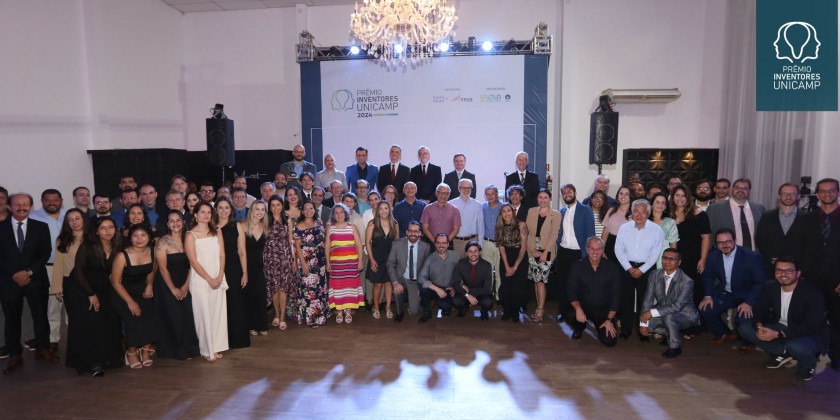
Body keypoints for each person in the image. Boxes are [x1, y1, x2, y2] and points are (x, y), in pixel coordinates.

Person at [738, 256, 828, 381]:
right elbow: (760, 310)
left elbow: (810, 326)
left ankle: (808, 364)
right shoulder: (770, 287)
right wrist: (759, 326)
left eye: (789, 271)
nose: (783, 274)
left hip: (809, 332)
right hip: (781, 326)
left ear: (798, 273)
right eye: (779, 270)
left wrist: (778, 334)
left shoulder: (812, 294)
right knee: (745, 328)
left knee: (794, 346)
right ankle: (782, 352)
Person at [0, 193, 58, 374]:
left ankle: (43, 349)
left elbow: (45, 252)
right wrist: (14, 274)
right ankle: (14, 355)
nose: (21, 207)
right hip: (9, 281)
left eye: (25, 204)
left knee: (40, 315)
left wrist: (29, 272)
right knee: (12, 319)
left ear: (31, 206)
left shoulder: (41, 227)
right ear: (10, 206)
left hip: (35, 279)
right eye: (17, 204)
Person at [64, 217, 123, 376]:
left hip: (106, 289)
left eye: (111, 227)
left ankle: (109, 359)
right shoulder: (87, 247)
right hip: (82, 289)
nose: (107, 231)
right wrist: (91, 294)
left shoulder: (118, 246)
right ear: (96, 231)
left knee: (109, 322)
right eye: (103, 228)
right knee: (91, 324)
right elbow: (79, 272)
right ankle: (93, 363)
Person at [699, 228, 767, 344]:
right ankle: (724, 334)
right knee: (706, 309)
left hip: (747, 295)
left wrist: (749, 302)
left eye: (728, 242)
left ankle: (747, 342)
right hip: (726, 293)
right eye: (720, 243)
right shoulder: (713, 256)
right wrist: (707, 295)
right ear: (716, 244)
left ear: (735, 241)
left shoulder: (751, 257)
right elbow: (708, 276)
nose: (724, 245)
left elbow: (761, 282)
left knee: (741, 319)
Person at [800, 178, 840, 370]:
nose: (827, 194)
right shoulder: (807, 219)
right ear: (817, 194)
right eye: (823, 191)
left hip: (837, 279)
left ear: (838, 193)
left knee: (837, 319)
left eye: (831, 191)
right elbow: (800, 248)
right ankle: (812, 353)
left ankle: (837, 355)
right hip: (811, 278)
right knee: (812, 318)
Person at [614, 199, 664, 340]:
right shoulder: (624, 228)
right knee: (626, 300)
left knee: (645, 301)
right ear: (632, 212)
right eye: (636, 211)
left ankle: (643, 331)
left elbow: (656, 253)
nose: (639, 215)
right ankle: (625, 330)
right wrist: (629, 268)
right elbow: (618, 249)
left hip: (647, 268)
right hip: (626, 267)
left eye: (643, 212)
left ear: (648, 213)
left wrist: (642, 269)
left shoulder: (656, 230)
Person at [185, 201, 229, 361]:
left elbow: (222, 255)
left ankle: (216, 347)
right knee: (203, 315)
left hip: (218, 277)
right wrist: (209, 279)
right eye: (202, 212)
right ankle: (206, 350)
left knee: (217, 315)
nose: (206, 215)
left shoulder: (217, 231)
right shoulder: (190, 235)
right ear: (195, 215)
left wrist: (219, 275)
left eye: (208, 212)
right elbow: (193, 261)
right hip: (200, 280)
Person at [153, 211, 200, 360]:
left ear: (183, 222)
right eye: (171, 221)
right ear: (167, 224)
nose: (175, 223)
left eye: (178, 220)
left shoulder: (189, 239)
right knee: (175, 316)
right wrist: (173, 289)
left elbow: (191, 264)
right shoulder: (162, 242)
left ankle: (192, 348)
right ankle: (177, 350)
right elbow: (162, 268)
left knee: (188, 315)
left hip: (186, 280)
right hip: (167, 283)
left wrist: (186, 285)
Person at [111, 224, 158, 368]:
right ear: (130, 238)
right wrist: (130, 302)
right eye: (135, 236)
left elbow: (151, 271)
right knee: (134, 320)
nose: (139, 239)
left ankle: (145, 351)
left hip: (143, 291)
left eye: (143, 235)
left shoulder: (152, 251)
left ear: (149, 238)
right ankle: (131, 353)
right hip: (123, 293)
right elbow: (115, 282)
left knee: (151, 316)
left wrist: (150, 285)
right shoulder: (122, 256)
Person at [639, 248, 700, 358]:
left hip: (686, 315)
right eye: (665, 258)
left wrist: (650, 313)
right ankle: (670, 335)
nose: (667, 261)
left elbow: (677, 307)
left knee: (667, 315)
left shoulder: (687, 281)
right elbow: (648, 299)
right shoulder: (654, 275)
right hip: (666, 312)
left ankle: (675, 347)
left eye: (672, 259)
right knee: (648, 320)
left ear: (679, 262)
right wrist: (643, 323)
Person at [30, 188, 67, 352]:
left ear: (61, 200)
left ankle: (77, 339)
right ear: (42, 201)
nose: (52, 203)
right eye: (47, 200)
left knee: (74, 304)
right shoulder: (33, 217)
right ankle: (52, 339)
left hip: (71, 267)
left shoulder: (70, 215)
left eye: (55, 199)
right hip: (48, 267)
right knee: (53, 306)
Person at [566, 237, 621, 347]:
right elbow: (571, 291)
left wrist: (609, 319)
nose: (595, 252)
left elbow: (616, 295)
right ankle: (579, 327)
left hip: (603, 312)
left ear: (602, 250)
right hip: (584, 308)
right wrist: (578, 309)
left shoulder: (612, 268)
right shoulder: (577, 266)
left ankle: (604, 324)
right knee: (568, 313)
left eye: (598, 249)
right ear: (587, 249)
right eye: (592, 249)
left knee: (609, 342)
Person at [554, 184, 595, 322]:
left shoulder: (586, 210)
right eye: (564, 193)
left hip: (579, 253)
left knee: (578, 285)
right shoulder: (561, 211)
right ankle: (562, 311)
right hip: (564, 252)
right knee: (562, 284)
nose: (567, 194)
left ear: (575, 192)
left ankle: (578, 314)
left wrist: (589, 254)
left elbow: (590, 234)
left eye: (569, 191)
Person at [50, 209, 85, 372]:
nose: (74, 222)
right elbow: (58, 264)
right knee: (76, 320)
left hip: (92, 282)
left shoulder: (93, 237)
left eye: (77, 218)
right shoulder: (62, 240)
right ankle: (78, 356)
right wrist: (57, 287)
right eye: (70, 220)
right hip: (71, 283)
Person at [214, 197, 250, 349]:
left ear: (231, 210)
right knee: (218, 305)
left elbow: (242, 251)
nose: (223, 211)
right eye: (220, 208)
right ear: (215, 210)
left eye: (226, 208)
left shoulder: (237, 226)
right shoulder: (211, 227)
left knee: (235, 304)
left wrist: (245, 272)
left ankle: (237, 340)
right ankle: (220, 341)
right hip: (215, 268)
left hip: (234, 268)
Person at [670, 185, 711, 311]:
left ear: (688, 197)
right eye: (677, 195)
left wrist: (703, 259)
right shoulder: (668, 213)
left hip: (693, 258)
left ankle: (693, 324)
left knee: (693, 290)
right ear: (672, 197)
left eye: (683, 195)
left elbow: (706, 237)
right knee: (676, 291)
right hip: (674, 259)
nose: (680, 198)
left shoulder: (698, 214)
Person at [525, 189, 562, 323]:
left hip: (547, 251)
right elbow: (527, 232)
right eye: (540, 197)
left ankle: (541, 309)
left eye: (545, 197)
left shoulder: (555, 214)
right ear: (537, 198)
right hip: (532, 250)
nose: (543, 200)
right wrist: (532, 249)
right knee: (536, 280)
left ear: (550, 198)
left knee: (541, 281)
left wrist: (545, 252)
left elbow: (554, 234)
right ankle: (539, 307)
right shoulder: (531, 211)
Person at [325, 203, 365, 323]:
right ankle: (339, 312)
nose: (339, 215)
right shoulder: (330, 227)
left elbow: (359, 245)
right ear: (333, 215)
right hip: (336, 264)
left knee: (350, 288)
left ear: (346, 213)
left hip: (351, 263)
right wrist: (328, 262)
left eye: (341, 212)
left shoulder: (352, 226)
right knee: (338, 287)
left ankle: (348, 311)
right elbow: (327, 246)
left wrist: (360, 261)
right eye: (336, 212)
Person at [755, 183, 805, 272]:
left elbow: (809, 243)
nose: (788, 196)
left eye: (792, 194)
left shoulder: (807, 217)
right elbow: (760, 239)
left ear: (798, 196)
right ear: (779, 196)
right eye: (785, 194)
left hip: (797, 268)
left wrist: (795, 262)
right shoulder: (767, 216)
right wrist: (770, 258)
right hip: (771, 267)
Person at [293, 201, 328, 328]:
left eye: (311, 208)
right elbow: (297, 248)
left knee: (320, 290)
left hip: (320, 261)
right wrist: (303, 264)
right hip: (307, 261)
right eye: (306, 209)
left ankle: (321, 317)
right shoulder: (299, 226)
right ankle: (311, 318)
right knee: (309, 291)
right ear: (302, 211)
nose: (309, 211)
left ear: (314, 209)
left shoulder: (319, 223)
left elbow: (323, 242)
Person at [264, 195, 296, 331]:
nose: (275, 208)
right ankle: (276, 315)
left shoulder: (287, 220)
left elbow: (291, 241)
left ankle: (282, 316)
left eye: (278, 204)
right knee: (274, 288)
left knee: (283, 287)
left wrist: (293, 259)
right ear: (269, 207)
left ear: (282, 206)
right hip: (270, 257)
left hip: (284, 256)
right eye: (273, 205)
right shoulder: (265, 220)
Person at [387, 221, 430, 322]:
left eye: (416, 231)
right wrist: (395, 282)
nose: (413, 233)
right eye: (410, 231)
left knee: (414, 311)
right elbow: (390, 263)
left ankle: (413, 301)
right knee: (396, 290)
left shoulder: (425, 247)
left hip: (416, 280)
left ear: (420, 233)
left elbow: (427, 269)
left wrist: (421, 286)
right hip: (402, 277)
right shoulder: (397, 244)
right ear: (406, 232)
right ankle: (399, 313)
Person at [706, 178, 765, 251]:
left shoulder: (759, 209)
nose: (741, 190)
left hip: (754, 255)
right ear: (732, 189)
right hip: (725, 254)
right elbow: (708, 235)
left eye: (745, 188)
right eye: (737, 187)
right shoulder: (714, 209)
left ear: (750, 191)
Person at [417, 234, 459, 323]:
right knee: (424, 288)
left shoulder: (455, 256)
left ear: (448, 244)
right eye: (438, 243)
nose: (441, 245)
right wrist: (437, 289)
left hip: (448, 288)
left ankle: (445, 306)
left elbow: (461, 273)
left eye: (444, 243)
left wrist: (454, 287)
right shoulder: (430, 258)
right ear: (435, 244)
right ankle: (427, 312)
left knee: (446, 307)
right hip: (435, 288)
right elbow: (421, 277)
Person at [496, 204, 528, 323]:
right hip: (505, 258)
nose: (506, 213)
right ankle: (507, 310)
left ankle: (515, 312)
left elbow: (524, 247)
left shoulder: (521, 225)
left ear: (513, 212)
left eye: (508, 210)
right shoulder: (499, 227)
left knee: (517, 288)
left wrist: (514, 267)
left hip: (519, 257)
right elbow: (502, 248)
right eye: (504, 211)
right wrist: (507, 266)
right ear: (501, 214)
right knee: (505, 287)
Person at [366, 202, 397, 319]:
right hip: (377, 258)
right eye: (381, 209)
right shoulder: (372, 224)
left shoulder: (394, 224)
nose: (383, 211)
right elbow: (368, 242)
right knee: (378, 285)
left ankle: (388, 307)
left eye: (386, 208)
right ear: (377, 211)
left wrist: (395, 260)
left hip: (390, 259)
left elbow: (397, 242)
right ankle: (376, 307)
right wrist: (372, 259)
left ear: (389, 210)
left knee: (389, 283)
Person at [243, 201, 269, 336]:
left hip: (259, 267)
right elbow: (240, 251)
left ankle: (261, 324)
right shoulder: (242, 226)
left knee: (260, 295)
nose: (259, 212)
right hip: (245, 266)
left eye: (262, 210)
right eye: (257, 209)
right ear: (251, 210)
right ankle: (251, 326)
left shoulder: (264, 227)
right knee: (248, 297)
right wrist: (243, 272)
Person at [451, 241, 494, 320]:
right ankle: (464, 308)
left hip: (481, 292)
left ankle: (484, 310)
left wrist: (469, 292)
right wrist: (467, 295)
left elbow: (487, 288)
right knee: (456, 301)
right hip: (465, 293)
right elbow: (455, 282)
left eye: (475, 251)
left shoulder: (487, 265)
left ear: (480, 252)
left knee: (488, 302)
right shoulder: (461, 263)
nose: (473, 253)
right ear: (466, 253)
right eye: (470, 251)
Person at [450, 179, 484, 258]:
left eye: (468, 188)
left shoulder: (477, 205)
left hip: (473, 241)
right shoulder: (451, 204)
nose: (466, 190)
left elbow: (481, 226)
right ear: (459, 188)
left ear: (471, 189)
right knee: (458, 267)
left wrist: (480, 244)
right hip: (457, 242)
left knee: (472, 268)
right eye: (463, 188)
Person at [481, 185, 503, 298]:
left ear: (497, 194)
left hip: (501, 244)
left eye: (492, 194)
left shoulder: (504, 207)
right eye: (487, 194)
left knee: (499, 271)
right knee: (487, 272)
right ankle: (487, 296)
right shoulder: (482, 207)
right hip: (487, 243)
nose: (490, 196)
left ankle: (499, 296)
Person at [601, 185, 632, 263]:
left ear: (631, 196)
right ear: (617, 195)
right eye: (621, 193)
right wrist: (602, 249)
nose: (623, 196)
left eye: (626, 194)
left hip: (626, 246)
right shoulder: (611, 210)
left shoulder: (634, 213)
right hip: (610, 245)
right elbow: (605, 233)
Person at [649, 192, 679, 267]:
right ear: (652, 204)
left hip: (663, 259)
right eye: (657, 202)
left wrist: (673, 261)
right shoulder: (644, 221)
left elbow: (673, 245)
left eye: (663, 203)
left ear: (666, 206)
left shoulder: (670, 222)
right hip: (646, 257)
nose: (660, 205)